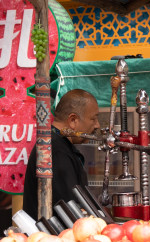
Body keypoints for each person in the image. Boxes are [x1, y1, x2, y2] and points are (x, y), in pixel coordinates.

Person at [23, 89, 100, 218]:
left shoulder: (58, 145)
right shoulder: (56, 151)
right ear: (73, 120)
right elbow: (69, 209)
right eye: (93, 118)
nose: (97, 125)